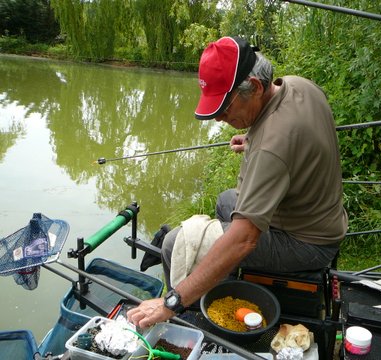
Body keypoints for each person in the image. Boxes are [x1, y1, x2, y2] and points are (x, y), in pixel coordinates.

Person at [127, 36, 348, 328]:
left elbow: (245, 238)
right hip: (321, 216)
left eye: (224, 107)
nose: (219, 118)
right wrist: (253, 141)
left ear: (255, 87)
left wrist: (173, 300)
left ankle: (191, 323)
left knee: (173, 242)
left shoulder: (272, 146)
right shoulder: (298, 86)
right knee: (226, 201)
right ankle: (223, 292)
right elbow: (294, 139)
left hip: (307, 242)